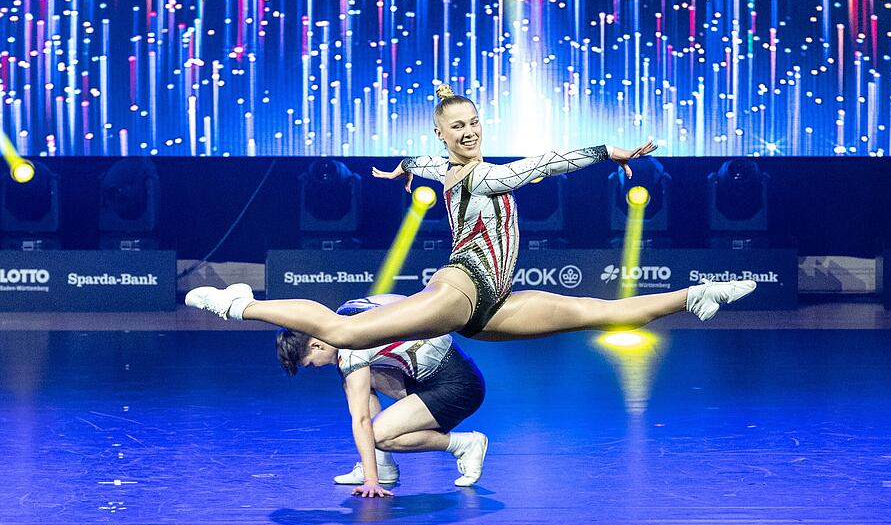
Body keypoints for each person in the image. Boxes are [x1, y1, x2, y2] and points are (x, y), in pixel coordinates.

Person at [185, 84, 756, 348]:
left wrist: (407, 166)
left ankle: (696, 295)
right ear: (442, 133)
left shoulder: (444, 163)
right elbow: (539, 167)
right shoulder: (482, 174)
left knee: (603, 315)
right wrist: (608, 152)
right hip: (463, 285)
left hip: (493, 302)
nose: (470, 131)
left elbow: (427, 163)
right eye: (457, 126)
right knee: (346, 334)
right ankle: (239, 304)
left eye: (474, 123)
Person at [277, 294, 488, 498]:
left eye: (312, 364)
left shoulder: (351, 349)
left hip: (460, 387)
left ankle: (463, 444)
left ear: (316, 344)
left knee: (378, 434)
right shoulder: (349, 310)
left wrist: (371, 481)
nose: (316, 368)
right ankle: (382, 465)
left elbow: (361, 420)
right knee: (354, 376)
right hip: (445, 369)